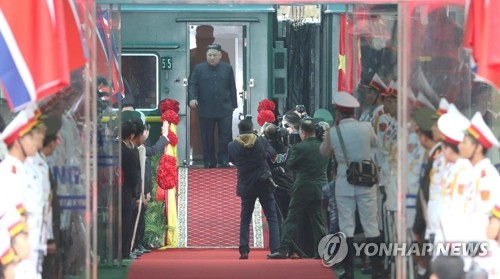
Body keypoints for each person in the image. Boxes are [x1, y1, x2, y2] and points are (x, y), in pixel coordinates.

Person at [318, 92, 383, 279]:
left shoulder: (334, 132)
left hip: (344, 182)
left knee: (347, 226)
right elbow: (376, 144)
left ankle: (348, 271)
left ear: (338, 113)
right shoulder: (366, 127)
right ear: (354, 112)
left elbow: (325, 151)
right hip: (366, 180)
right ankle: (377, 270)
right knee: (371, 226)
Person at [267, 118, 329, 260]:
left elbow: (289, 165)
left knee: (291, 218)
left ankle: (283, 249)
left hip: (303, 187)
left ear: (303, 133)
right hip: (320, 187)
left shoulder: (300, 147)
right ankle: (324, 251)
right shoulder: (325, 147)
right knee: (318, 221)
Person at [228, 118, 280, 260]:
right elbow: (272, 153)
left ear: (239, 130)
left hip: (246, 185)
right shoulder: (261, 141)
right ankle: (275, 248)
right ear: (252, 128)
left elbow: (232, 160)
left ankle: (244, 250)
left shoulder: (232, 145)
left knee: (245, 218)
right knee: (272, 217)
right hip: (263, 183)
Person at [188, 43, 237, 168]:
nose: (212, 57)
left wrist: (234, 104)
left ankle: (224, 159)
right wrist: (193, 98)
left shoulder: (227, 68)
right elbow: (193, 85)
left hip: (225, 107)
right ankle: (209, 160)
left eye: (215, 55)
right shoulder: (198, 69)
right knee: (207, 136)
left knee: (225, 135)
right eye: (209, 55)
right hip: (205, 108)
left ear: (220, 56)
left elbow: (232, 87)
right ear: (206, 56)